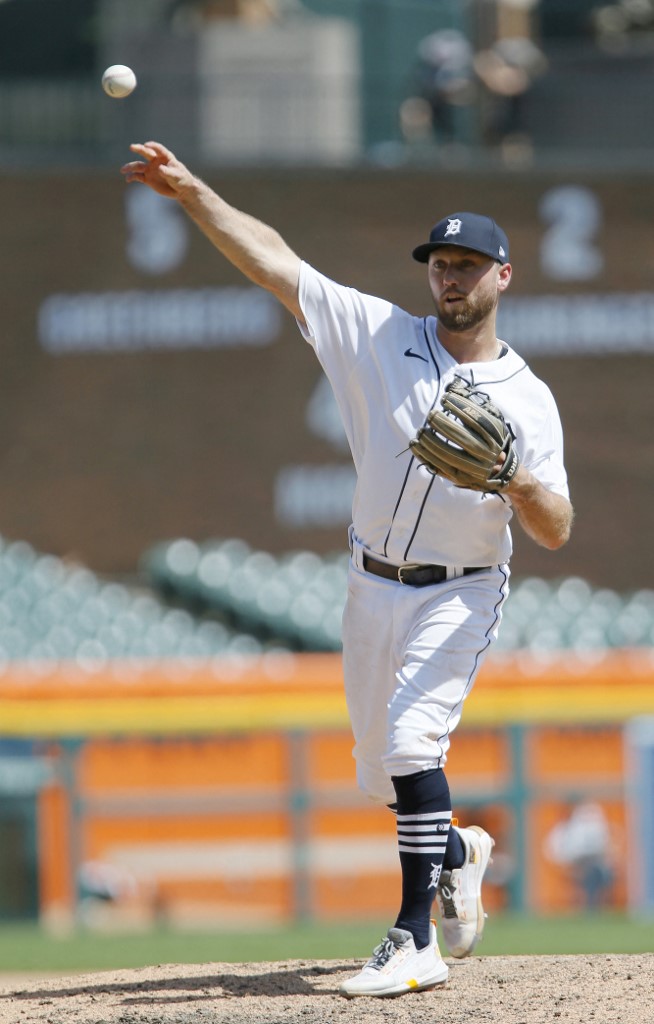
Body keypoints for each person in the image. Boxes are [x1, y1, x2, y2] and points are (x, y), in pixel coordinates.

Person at [121, 143, 573, 998]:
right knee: (385, 778)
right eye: (440, 264)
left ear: (503, 277)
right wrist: (189, 192)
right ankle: (458, 850)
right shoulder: (376, 334)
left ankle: (413, 940)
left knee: (410, 746)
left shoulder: (528, 397)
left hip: (462, 586)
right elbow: (277, 265)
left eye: (468, 265)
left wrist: (512, 477)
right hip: (371, 582)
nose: (450, 278)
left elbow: (554, 527)